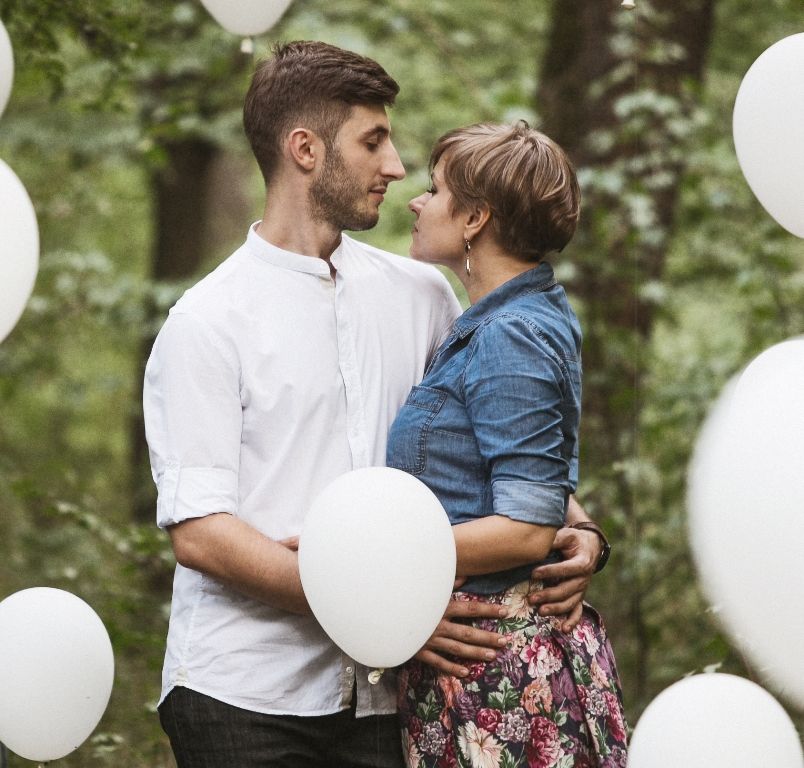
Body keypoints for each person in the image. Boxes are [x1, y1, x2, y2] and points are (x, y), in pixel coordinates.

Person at [143, 41, 606, 768]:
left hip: (388, 698)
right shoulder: (207, 321)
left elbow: (501, 434)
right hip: (247, 694)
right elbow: (202, 534)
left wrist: (580, 529)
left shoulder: (422, 295)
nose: (394, 165)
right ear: (305, 150)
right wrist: (383, 612)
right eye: (373, 140)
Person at [388, 122, 628, 767]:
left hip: (500, 669)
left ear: (475, 218)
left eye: (434, 189)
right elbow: (530, 476)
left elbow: (524, 528)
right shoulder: (510, 318)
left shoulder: (511, 333)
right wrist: (587, 531)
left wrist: (370, 557)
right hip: (487, 655)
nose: (416, 202)